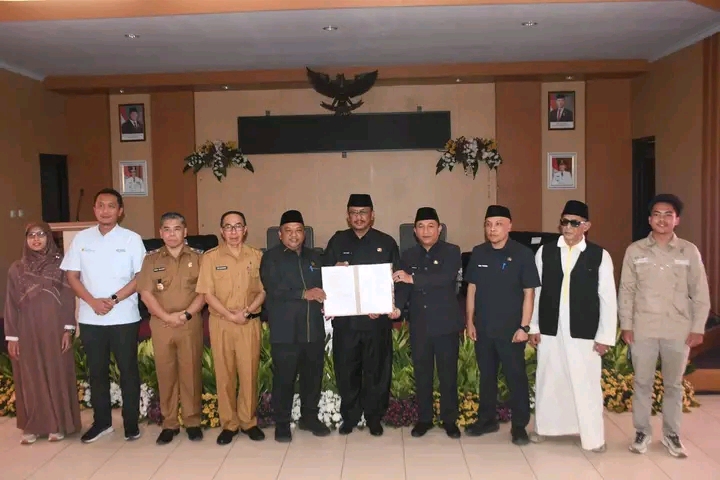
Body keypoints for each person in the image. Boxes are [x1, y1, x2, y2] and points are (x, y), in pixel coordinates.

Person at [619, 194, 710, 458]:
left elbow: (700, 292)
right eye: (657, 214)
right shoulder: (635, 251)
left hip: (677, 329)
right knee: (642, 383)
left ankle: (672, 434)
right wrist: (626, 324)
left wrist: (698, 327)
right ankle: (642, 432)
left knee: (673, 385)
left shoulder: (688, 251)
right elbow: (626, 290)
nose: (662, 219)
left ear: (676, 220)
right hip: (643, 328)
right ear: (649, 219)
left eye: (668, 214)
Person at [528, 200, 617, 452]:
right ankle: (546, 428)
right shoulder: (545, 252)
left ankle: (592, 436)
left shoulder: (599, 255)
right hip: (550, 329)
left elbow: (608, 298)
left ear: (586, 226)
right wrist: (533, 326)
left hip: (584, 332)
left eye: (574, 223)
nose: (567, 227)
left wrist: (605, 336)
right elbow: (535, 292)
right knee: (549, 379)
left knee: (585, 382)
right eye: (564, 222)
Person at [60, 188, 147, 443]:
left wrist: (113, 299)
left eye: (111, 206)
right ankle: (102, 423)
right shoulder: (82, 238)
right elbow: (71, 276)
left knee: (128, 371)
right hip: (91, 318)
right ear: (94, 209)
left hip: (124, 317)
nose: (105, 210)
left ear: (120, 211)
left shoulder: (132, 239)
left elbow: (141, 277)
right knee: (96, 372)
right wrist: (92, 302)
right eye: (100, 205)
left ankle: (131, 423)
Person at [323, 193, 401, 436]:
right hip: (346, 323)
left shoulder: (386, 242)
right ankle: (350, 417)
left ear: (372, 215)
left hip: (376, 323)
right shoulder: (337, 242)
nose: (358, 217)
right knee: (347, 371)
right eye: (354, 213)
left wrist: (386, 306)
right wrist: (333, 271)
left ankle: (374, 417)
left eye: (363, 212)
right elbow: (324, 277)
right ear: (348, 216)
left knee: (376, 371)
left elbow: (396, 281)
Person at [463, 205, 540, 445]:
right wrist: (469, 321)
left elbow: (529, 293)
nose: (492, 229)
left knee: (516, 378)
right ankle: (487, 420)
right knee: (486, 377)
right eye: (488, 224)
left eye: (498, 224)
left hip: (511, 331)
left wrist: (524, 327)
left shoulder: (522, 254)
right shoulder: (479, 252)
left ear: (509, 226)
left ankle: (519, 426)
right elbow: (472, 288)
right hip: (484, 328)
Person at [4, 222, 82, 445]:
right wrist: (12, 337)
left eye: (41, 235)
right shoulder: (16, 269)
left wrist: (68, 329)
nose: (36, 239)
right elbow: (10, 304)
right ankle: (34, 425)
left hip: (54, 329)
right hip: (26, 330)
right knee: (30, 376)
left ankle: (57, 424)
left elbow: (68, 298)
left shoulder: (62, 266)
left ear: (49, 237)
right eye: (31, 235)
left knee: (56, 373)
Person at [260, 210, 331, 442]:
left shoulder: (315, 257)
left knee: (312, 377)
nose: (294, 235)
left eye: (298, 230)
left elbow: (327, 286)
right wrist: (304, 293)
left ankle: (309, 418)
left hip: (313, 329)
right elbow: (273, 289)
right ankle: (282, 423)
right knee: (284, 379)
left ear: (304, 233)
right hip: (286, 332)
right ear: (280, 234)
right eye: (288, 231)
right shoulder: (271, 258)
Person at [196, 210, 266, 445]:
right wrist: (230, 315)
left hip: (248, 322)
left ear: (245, 230)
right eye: (228, 227)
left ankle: (248, 421)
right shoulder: (210, 257)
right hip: (222, 323)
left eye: (238, 226)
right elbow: (207, 294)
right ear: (221, 231)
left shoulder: (256, 256)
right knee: (224, 374)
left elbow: (263, 290)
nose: (233, 231)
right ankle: (229, 424)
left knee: (249, 373)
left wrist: (246, 312)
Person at [136, 212, 206, 445]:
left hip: (190, 322)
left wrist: (186, 315)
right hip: (161, 323)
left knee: (191, 372)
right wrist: (167, 316)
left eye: (177, 229)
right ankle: (170, 423)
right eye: (167, 229)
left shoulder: (199, 258)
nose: (172, 234)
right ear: (161, 233)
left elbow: (204, 292)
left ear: (185, 232)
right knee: (165, 374)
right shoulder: (151, 259)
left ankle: (192, 421)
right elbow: (146, 294)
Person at [393, 207, 463, 439]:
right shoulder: (408, 255)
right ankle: (424, 419)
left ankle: (449, 419)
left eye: (431, 226)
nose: (426, 231)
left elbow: (444, 278)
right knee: (422, 374)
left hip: (446, 324)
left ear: (439, 229)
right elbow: (402, 286)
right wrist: (396, 307)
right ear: (414, 231)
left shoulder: (452, 251)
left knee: (447, 374)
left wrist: (412, 278)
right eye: (421, 226)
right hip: (420, 324)